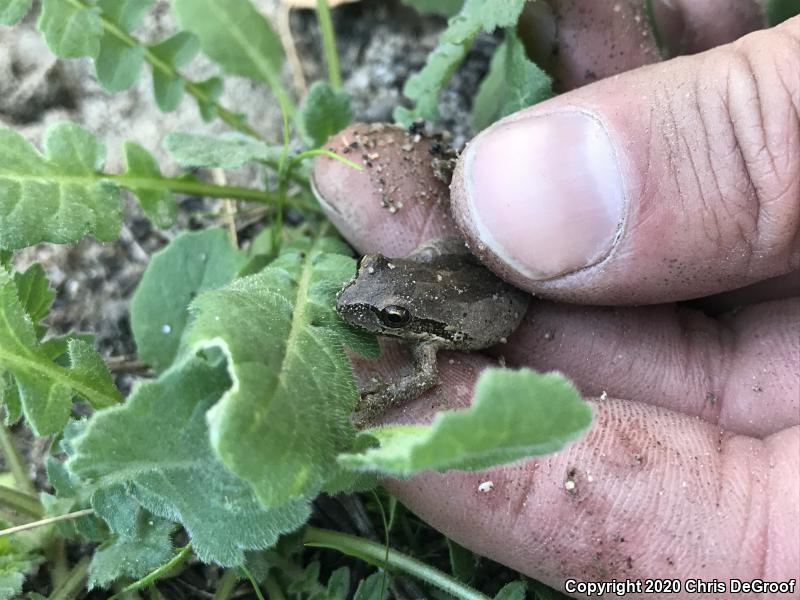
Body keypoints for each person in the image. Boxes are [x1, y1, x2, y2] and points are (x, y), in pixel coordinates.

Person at [313, 3, 799, 596]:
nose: (365, 307)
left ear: (412, 325)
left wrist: (380, 397)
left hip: (496, 304)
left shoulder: (427, 347)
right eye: (370, 273)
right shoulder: (407, 278)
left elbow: (425, 381)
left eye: (391, 318)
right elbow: (422, 264)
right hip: (451, 276)